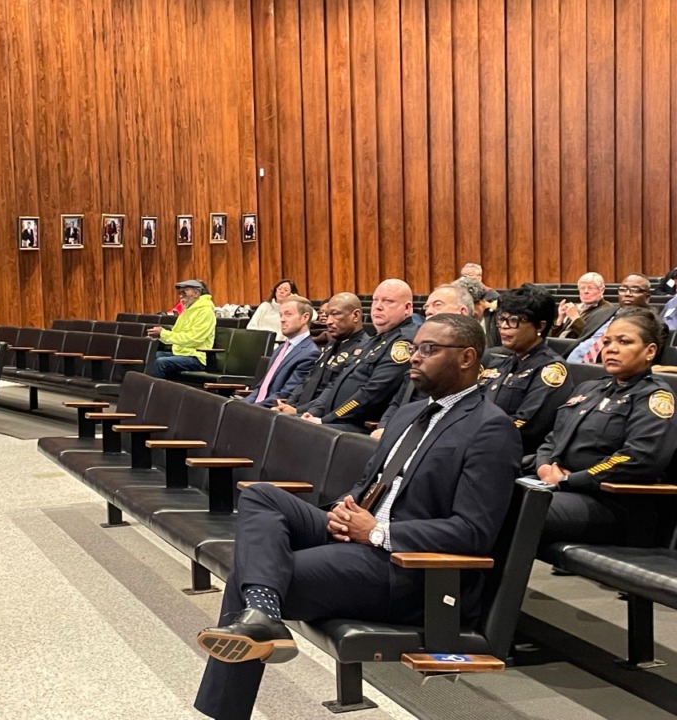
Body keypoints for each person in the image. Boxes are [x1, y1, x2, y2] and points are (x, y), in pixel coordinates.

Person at [193, 314, 522, 720]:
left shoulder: (490, 428)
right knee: (263, 496)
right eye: (415, 347)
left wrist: (379, 532)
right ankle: (262, 615)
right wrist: (341, 511)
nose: (413, 357)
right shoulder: (408, 415)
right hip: (361, 539)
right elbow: (366, 485)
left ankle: (239, 670)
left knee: (253, 573)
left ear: (468, 357)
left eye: (428, 350)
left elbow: (473, 532)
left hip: (407, 570)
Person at [535, 307, 677, 548]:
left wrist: (572, 480)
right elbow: (553, 438)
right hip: (560, 489)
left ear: (650, 351)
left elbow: (638, 459)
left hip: (612, 504)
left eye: (624, 342)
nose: (611, 349)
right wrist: (545, 468)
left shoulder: (655, 398)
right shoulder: (590, 389)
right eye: (607, 341)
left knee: (509, 510)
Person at [297, 279, 417, 431]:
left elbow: (373, 393)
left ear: (407, 308)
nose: (378, 306)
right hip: (335, 421)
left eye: (388, 301)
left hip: (358, 425)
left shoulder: (403, 343)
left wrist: (327, 419)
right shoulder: (375, 340)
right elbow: (337, 382)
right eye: (375, 300)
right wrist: (313, 412)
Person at [370, 283, 475, 439]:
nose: (429, 311)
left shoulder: (472, 359)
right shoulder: (420, 353)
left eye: (437, 305)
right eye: (427, 307)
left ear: (462, 312)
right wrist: (385, 427)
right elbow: (398, 403)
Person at [478, 285, 571, 454]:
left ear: (540, 326)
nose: (503, 327)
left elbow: (526, 425)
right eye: (501, 319)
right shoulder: (500, 364)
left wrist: (474, 437)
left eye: (513, 320)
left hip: (508, 454)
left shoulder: (550, 370)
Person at [277, 292, 367, 411]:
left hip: (320, 418)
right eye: (328, 315)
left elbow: (335, 393)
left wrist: (298, 411)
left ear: (355, 315)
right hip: (301, 413)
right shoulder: (332, 344)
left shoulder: (364, 349)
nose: (328, 321)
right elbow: (309, 379)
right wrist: (289, 403)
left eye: (335, 314)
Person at [242, 295, 318, 407]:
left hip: (273, 413)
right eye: (281, 315)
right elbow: (262, 388)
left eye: (288, 314)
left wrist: (251, 410)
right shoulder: (281, 348)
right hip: (259, 408)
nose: (282, 319)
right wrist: (241, 405)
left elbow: (286, 394)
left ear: (305, 318)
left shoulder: (310, 353)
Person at [567, 273, 651, 364]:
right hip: (571, 360)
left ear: (647, 298)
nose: (627, 294)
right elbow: (584, 336)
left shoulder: (651, 323)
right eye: (623, 289)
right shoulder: (603, 312)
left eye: (635, 290)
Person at [147, 279, 216, 378]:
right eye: (180, 293)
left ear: (196, 293)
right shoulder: (187, 310)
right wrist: (159, 335)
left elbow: (194, 339)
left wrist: (164, 334)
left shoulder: (205, 312)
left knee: (160, 362)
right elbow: (176, 334)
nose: (180, 296)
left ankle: (157, 392)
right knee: (149, 355)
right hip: (180, 353)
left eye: (184, 292)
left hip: (196, 357)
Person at [549, 272, 611, 339]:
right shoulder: (576, 307)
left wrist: (575, 318)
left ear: (601, 290)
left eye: (590, 288)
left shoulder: (607, 310)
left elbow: (593, 337)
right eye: (582, 288)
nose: (585, 291)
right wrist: (560, 318)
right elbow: (551, 337)